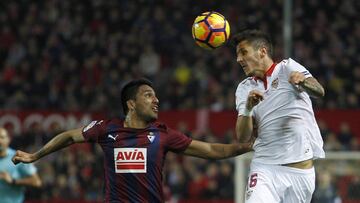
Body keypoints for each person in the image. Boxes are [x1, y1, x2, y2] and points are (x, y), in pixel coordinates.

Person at [12, 78, 253, 202]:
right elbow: (69, 136)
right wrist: (35, 155)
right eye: (149, 96)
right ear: (131, 104)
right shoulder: (107, 129)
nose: (156, 100)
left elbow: (210, 149)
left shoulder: (163, 133)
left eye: (156, 96)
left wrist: (248, 146)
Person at [232, 29, 325, 203]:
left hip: (300, 172)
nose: (239, 60)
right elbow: (243, 137)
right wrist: (247, 108)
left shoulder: (287, 68)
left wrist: (303, 82)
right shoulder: (244, 88)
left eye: (243, 52)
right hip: (264, 168)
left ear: (262, 51)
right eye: (237, 55)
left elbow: (319, 91)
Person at [0, 127, 42, 203]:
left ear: (8, 139)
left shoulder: (18, 157)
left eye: (2, 137)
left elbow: (36, 182)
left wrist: (13, 181)